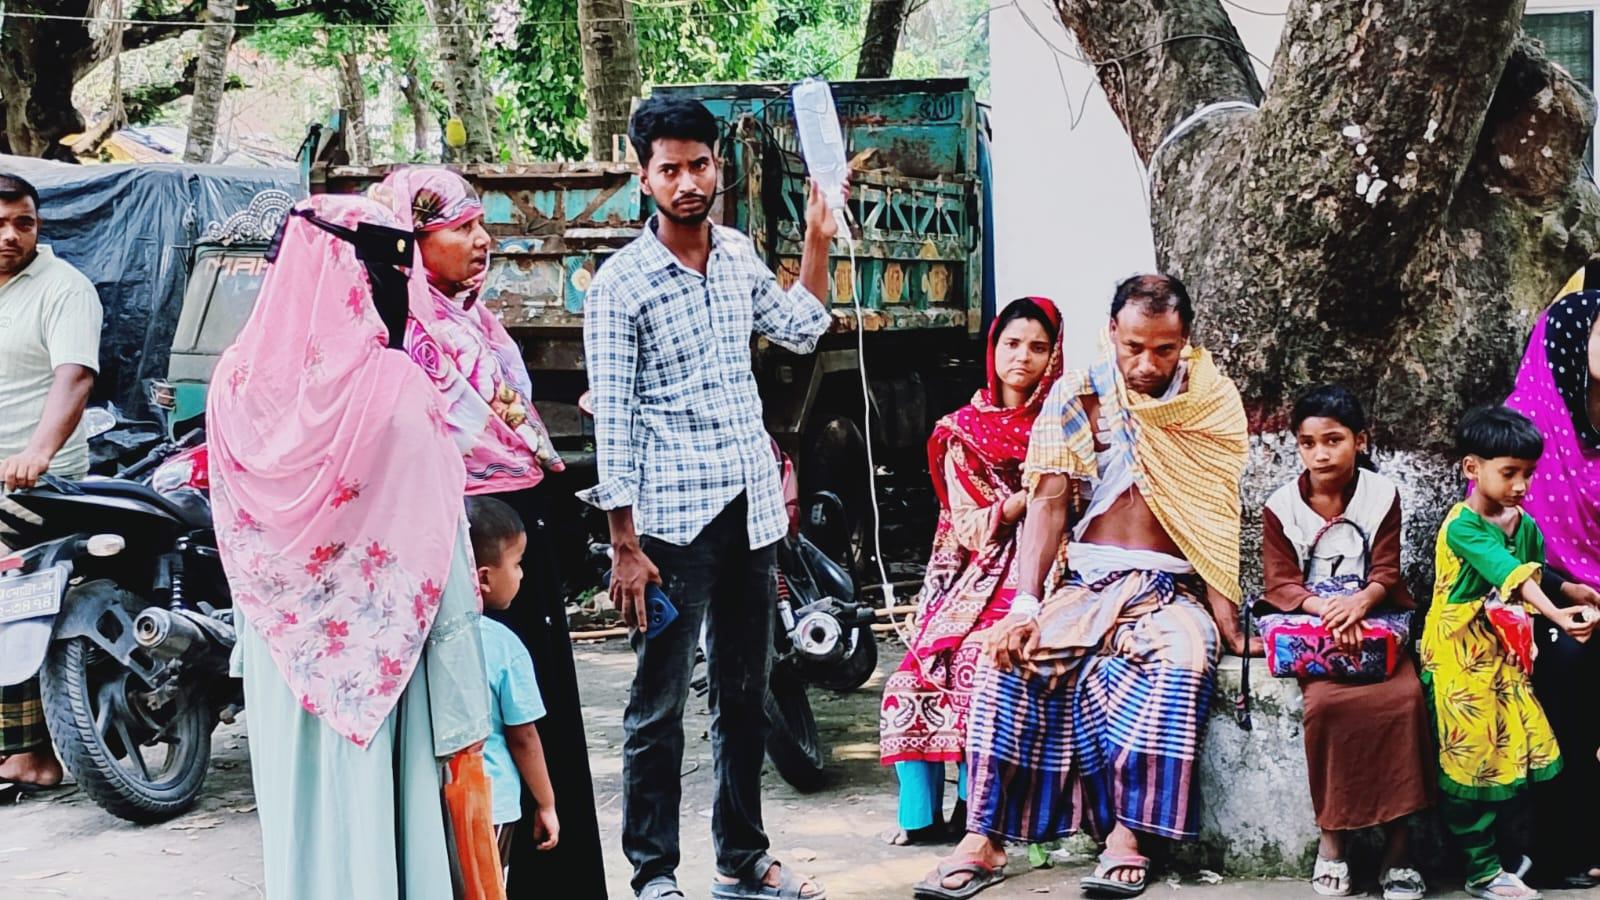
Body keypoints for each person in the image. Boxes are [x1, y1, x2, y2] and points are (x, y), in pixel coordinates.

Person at [580, 95, 842, 900]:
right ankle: (653, 873)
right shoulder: (620, 286)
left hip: (750, 513)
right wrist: (624, 546)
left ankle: (742, 859)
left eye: (699, 164)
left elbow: (802, 326)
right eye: (670, 169)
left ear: (717, 167)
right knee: (657, 705)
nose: (688, 181)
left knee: (744, 691)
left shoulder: (735, 255)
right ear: (644, 177)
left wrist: (816, 243)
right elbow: (613, 422)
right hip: (667, 528)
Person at [917, 274, 1252, 900]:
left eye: (1164, 349)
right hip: (1087, 580)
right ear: (1111, 335)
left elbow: (1215, 516)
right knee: (1003, 663)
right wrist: (1025, 605)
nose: (1147, 363)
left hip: (1170, 588)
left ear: (1186, 343)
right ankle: (984, 837)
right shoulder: (1078, 394)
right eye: (1133, 347)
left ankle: (1129, 835)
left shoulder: (1211, 400)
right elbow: (1046, 506)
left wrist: (1226, 616)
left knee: (1183, 661)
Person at [209, 195, 493, 899]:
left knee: (305, 838)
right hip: (392, 663)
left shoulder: (236, 384)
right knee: (389, 838)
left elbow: (237, 539)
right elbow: (441, 548)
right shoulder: (395, 389)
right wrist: (464, 707)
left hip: (283, 662)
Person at [372, 166, 608, 900]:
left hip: (515, 529)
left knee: (534, 708)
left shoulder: (470, 319)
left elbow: (514, 424)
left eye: (481, 224)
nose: (482, 241)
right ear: (412, 242)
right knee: (492, 719)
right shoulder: (403, 337)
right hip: (462, 540)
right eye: (460, 228)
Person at [879, 296, 1065, 846]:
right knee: (914, 672)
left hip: (1047, 563)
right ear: (993, 349)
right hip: (979, 568)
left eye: (1037, 347)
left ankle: (973, 813)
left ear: (1053, 356)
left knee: (981, 661)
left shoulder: (1068, 423)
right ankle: (919, 819)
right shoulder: (963, 430)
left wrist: (1044, 505)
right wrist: (1017, 503)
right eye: (1012, 344)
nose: (1023, 358)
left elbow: (1073, 504)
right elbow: (967, 526)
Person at [1259, 385, 1431, 900]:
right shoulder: (1281, 506)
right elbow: (1281, 582)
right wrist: (1327, 608)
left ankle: (1399, 850)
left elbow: (1386, 569)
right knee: (1326, 705)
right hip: (1319, 631)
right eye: (1308, 443)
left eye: (1333, 440)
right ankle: (1332, 839)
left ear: (1360, 440)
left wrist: (1360, 602)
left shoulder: (1382, 495)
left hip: (1374, 623)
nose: (1321, 453)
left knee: (1405, 700)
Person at [1419, 405, 1593, 900]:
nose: (1520, 485)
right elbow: (1509, 574)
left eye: (1528, 474)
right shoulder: (1463, 527)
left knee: (1515, 752)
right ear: (1472, 469)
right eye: (1509, 473)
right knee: (1471, 760)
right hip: (1459, 659)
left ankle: (1503, 858)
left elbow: (1534, 570)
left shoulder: (1522, 521)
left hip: (1506, 658)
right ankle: (1480, 870)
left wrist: (1572, 591)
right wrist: (1558, 615)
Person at [0, 172, 101, 791]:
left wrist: (37, 451)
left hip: (37, 484)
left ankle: (32, 754)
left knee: (7, 593)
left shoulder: (63, 289)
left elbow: (76, 376)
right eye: (0, 224)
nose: (10, 236)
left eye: (24, 223)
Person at [1503, 286, 1600, 890]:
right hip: (1547, 602)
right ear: (1571, 343)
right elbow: (1507, 556)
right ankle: (1565, 844)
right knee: (1568, 664)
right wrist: (1576, 599)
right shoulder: (1525, 441)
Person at [467, 496, 560, 883]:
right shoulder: (503, 645)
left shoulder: (418, 642)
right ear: (485, 577)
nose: (522, 575)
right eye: (518, 563)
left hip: (433, 798)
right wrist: (547, 803)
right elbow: (523, 737)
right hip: (493, 804)